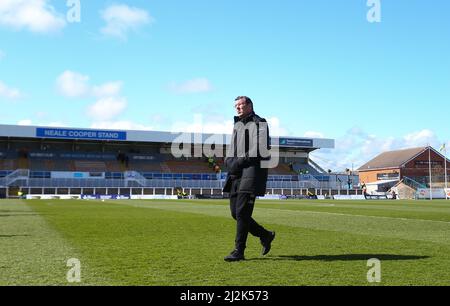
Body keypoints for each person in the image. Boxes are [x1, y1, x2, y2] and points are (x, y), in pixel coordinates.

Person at [222, 96, 275, 262]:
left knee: (243, 213)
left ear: (250, 105)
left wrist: (237, 162)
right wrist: (228, 161)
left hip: (252, 172)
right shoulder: (237, 124)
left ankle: (239, 251)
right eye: (235, 106)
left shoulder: (260, 122)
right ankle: (265, 235)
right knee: (235, 213)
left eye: (241, 105)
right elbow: (234, 148)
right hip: (236, 173)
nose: (238, 108)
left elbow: (259, 149)